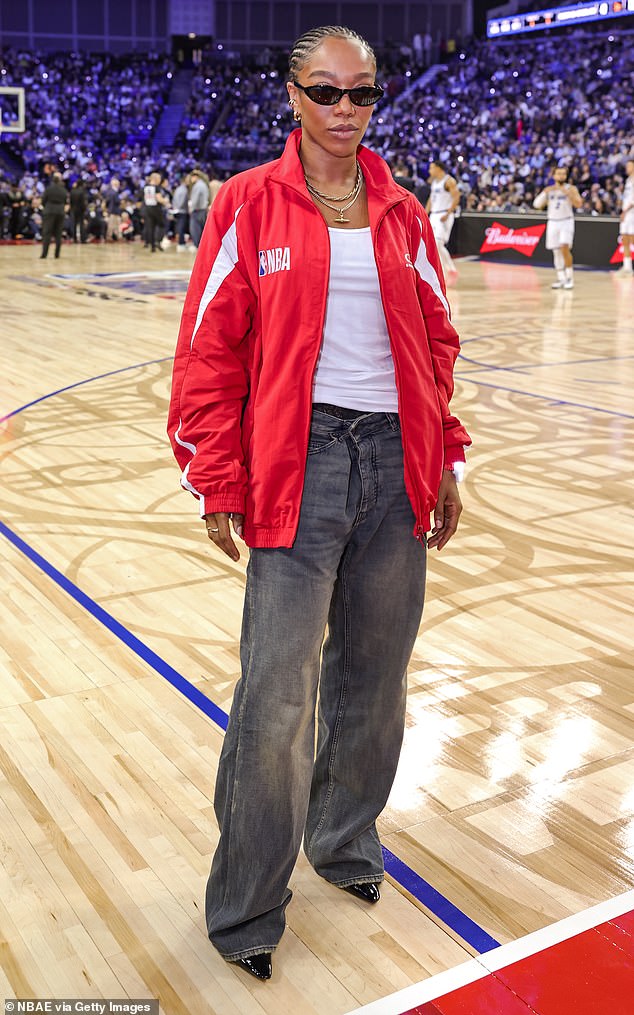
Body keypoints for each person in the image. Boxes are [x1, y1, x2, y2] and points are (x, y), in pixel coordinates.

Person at [168, 24, 471, 982]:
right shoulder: (248, 205)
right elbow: (208, 350)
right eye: (327, 91)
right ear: (292, 95)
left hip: (394, 468)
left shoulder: (403, 213)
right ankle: (247, 904)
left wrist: (445, 457)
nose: (346, 110)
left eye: (363, 93)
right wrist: (217, 472)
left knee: (374, 686)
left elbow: (435, 343)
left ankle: (344, 841)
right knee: (274, 697)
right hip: (297, 467)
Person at [533, 165, 582, 289]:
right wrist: (544, 193)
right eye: (559, 174)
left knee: (564, 247)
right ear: (554, 176)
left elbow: (578, 204)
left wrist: (568, 194)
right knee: (556, 251)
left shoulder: (571, 188)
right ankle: (561, 278)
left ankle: (570, 277)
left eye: (563, 174)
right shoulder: (549, 189)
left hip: (566, 221)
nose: (561, 176)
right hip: (553, 221)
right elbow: (536, 205)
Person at [426, 160, 460, 279]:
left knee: (438, 242)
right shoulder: (434, 182)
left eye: (431, 168)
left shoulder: (449, 181)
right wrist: (426, 212)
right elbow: (431, 198)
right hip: (434, 215)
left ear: (439, 168)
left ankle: (446, 271)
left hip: (443, 215)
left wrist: (449, 212)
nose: (429, 171)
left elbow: (456, 197)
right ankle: (450, 269)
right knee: (433, 244)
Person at [40, 172, 68, 259]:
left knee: (47, 233)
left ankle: (44, 254)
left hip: (49, 211)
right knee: (58, 234)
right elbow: (65, 201)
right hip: (60, 212)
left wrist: (47, 207)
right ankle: (57, 254)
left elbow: (43, 201)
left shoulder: (48, 189)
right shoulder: (64, 190)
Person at [617, 159, 634, 275]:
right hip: (626, 213)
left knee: (632, 239)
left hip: (632, 213)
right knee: (625, 239)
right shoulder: (628, 180)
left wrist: (625, 211)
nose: (627, 168)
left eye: (629, 166)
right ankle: (627, 267)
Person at [187, 168, 210, 247]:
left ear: (196, 177)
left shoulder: (197, 186)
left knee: (195, 229)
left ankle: (197, 245)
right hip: (202, 209)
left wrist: (191, 208)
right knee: (201, 229)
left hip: (197, 210)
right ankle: (201, 246)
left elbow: (195, 199)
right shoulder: (204, 185)